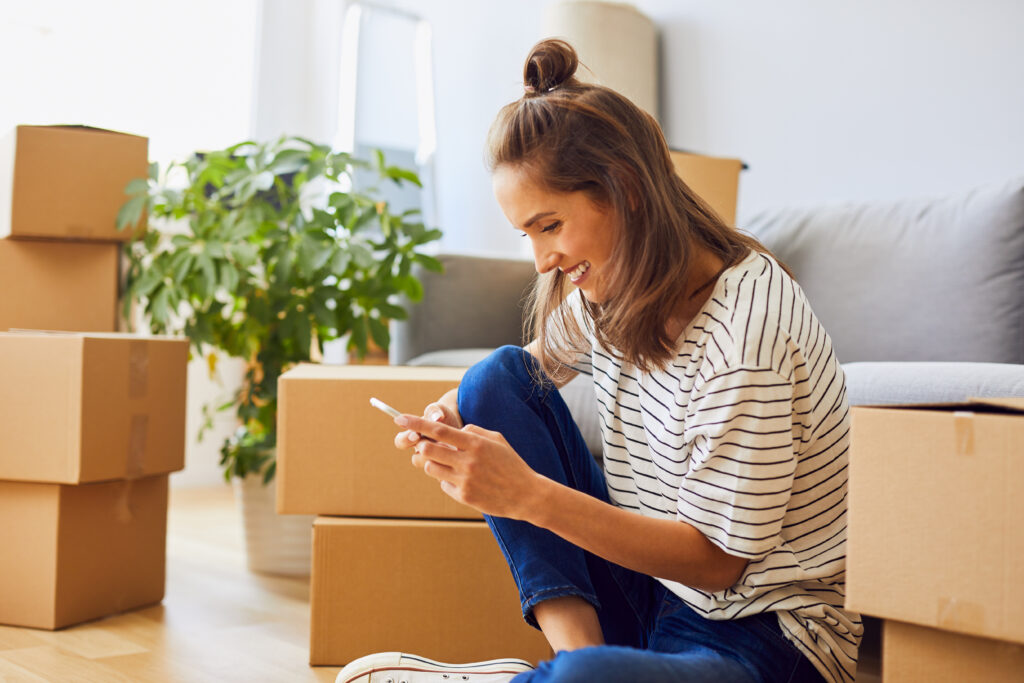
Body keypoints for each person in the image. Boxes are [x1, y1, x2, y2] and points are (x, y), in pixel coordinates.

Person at [337, 38, 861, 683]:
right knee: (491, 378)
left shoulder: (746, 336)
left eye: (550, 225)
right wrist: (453, 416)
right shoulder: (611, 289)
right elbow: (526, 372)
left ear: (627, 190)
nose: (541, 261)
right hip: (654, 597)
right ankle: (575, 658)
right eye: (527, 234)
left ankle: (566, 676)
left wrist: (526, 494)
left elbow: (720, 566)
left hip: (763, 636)